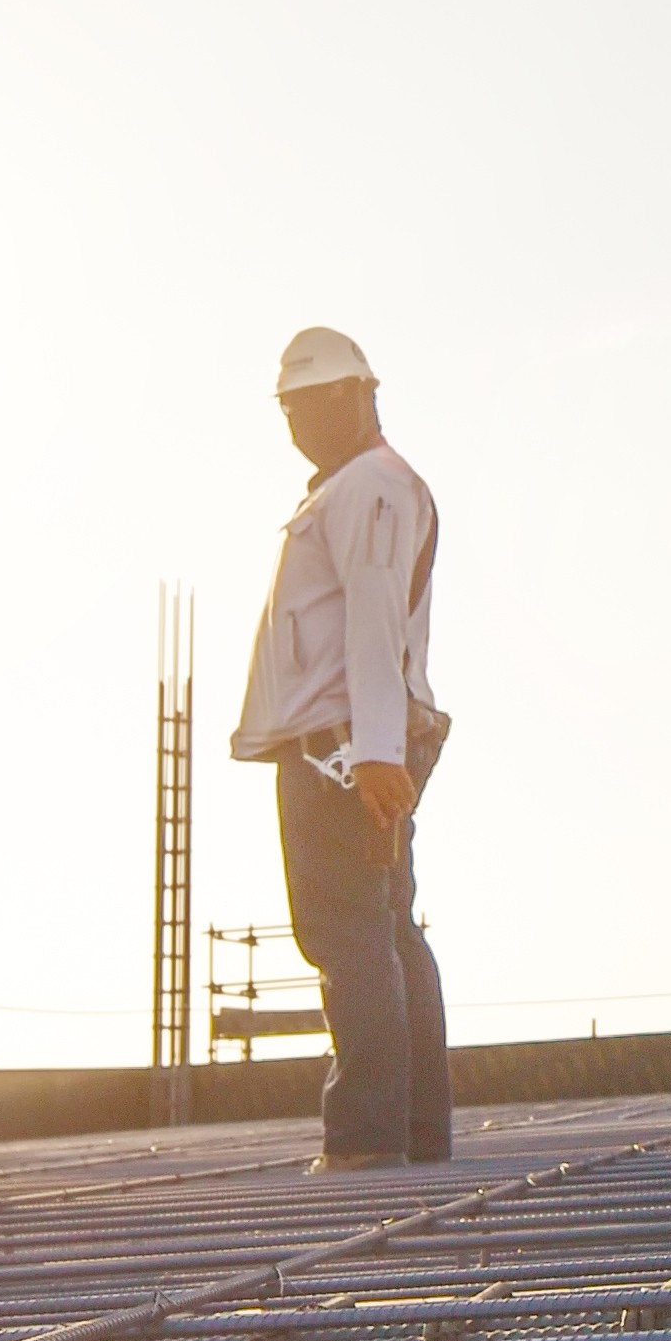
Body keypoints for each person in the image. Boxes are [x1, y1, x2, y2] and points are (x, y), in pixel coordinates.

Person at [229, 325, 451, 1170]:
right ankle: (415, 1136)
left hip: (343, 751)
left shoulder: (372, 487)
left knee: (349, 935)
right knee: (385, 932)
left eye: (305, 405)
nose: (295, 425)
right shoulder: (360, 489)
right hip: (357, 742)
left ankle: (364, 1140)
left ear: (354, 397)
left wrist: (377, 756)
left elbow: (371, 622)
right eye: (286, 409)